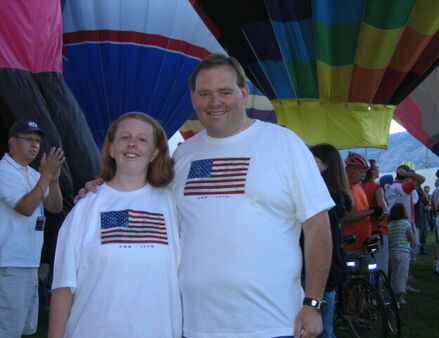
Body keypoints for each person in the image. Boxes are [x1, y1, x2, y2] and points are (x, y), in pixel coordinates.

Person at [77, 54, 334, 338]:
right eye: (205, 94)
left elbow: (317, 225)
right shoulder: (184, 154)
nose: (215, 102)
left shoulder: (284, 143)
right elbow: (144, 201)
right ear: (193, 97)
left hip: (273, 322)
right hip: (196, 324)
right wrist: (101, 192)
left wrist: (312, 303)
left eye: (225, 92)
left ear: (244, 93)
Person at [48, 113, 181, 337]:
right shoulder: (87, 207)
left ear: (155, 153)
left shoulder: (173, 202)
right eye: (124, 137)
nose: (132, 144)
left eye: (142, 139)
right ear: (111, 149)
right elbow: (64, 284)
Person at [0, 120, 64, 337]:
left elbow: (55, 207)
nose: (35, 145)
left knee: (24, 327)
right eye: (29, 139)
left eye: (37, 141)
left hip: (27, 261)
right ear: (12, 143)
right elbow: (26, 207)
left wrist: (53, 181)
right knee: (8, 329)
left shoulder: (32, 174)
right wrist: (46, 176)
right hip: (9, 262)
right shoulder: (4, 170)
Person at [310, 144, 352, 338]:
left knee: (322, 328)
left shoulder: (325, 198)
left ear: (328, 166)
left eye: (315, 161)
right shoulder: (337, 196)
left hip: (322, 267)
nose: (308, 164)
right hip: (330, 266)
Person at [342, 152, 379, 253]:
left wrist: (375, 214)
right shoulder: (343, 189)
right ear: (350, 170)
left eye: (365, 172)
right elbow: (345, 216)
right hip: (350, 247)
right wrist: (371, 211)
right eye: (361, 172)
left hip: (364, 244)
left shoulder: (358, 187)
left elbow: (361, 212)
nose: (364, 175)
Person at [362, 159, 389, 275]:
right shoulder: (376, 188)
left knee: (367, 263)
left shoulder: (359, 187)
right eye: (377, 168)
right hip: (379, 229)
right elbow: (383, 208)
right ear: (372, 171)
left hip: (364, 229)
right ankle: (381, 290)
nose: (379, 171)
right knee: (381, 263)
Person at [388, 203, 415, 306]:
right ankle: (399, 298)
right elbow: (412, 239)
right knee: (402, 275)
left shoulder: (390, 225)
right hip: (403, 252)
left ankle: (392, 293)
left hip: (392, 252)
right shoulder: (406, 224)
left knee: (394, 274)